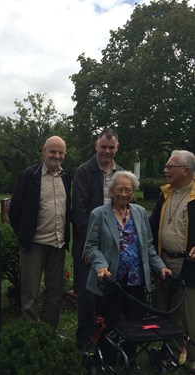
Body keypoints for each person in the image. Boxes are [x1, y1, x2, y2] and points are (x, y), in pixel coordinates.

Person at [85, 171, 171, 367]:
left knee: (134, 322)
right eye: (119, 189)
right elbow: (91, 246)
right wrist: (101, 266)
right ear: (112, 191)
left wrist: (161, 267)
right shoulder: (98, 214)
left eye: (128, 190)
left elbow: (147, 245)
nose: (124, 193)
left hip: (136, 279)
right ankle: (107, 360)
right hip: (111, 279)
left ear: (133, 192)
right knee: (110, 321)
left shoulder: (140, 212)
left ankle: (129, 359)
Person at [8, 135, 71, 327]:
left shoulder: (66, 178)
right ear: (44, 151)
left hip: (57, 245)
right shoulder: (29, 176)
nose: (57, 156)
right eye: (53, 151)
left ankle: (48, 334)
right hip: (34, 245)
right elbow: (14, 211)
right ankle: (30, 337)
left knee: (54, 295)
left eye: (61, 152)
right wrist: (25, 235)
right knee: (30, 296)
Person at [72, 127, 123, 349]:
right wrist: (88, 244)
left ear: (117, 148)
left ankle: (106, 335)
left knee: (110, 291)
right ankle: (83, 337)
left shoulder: (121, 174)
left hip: (113, 244)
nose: (107, 151)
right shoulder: (84, 171)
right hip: (88, 243)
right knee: (86, 293)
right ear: (96, 146)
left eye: (111, 147)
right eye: (103, 147)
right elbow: (79, 211)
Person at [149, 150, 195, 375]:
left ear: (186, 170)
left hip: (189, 265)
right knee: (168, 310)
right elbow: (152, 224)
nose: (165, 170)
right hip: (163, 261)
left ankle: (194, 363)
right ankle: (173, 352)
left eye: (170, 166)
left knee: (189, 315)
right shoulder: (166, 193)